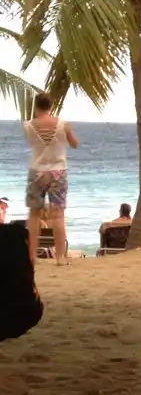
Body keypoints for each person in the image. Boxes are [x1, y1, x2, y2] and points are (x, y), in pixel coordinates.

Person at [23, 92, 78, 266]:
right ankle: (60, 257)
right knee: (58, 215)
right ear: (51, 106)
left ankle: (31, 256)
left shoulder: (28, 125)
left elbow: (33, 142)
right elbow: (74, 143)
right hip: (58, 172)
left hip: (37, 171)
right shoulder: (63, 124)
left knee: (34, 214)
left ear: (36, 107)